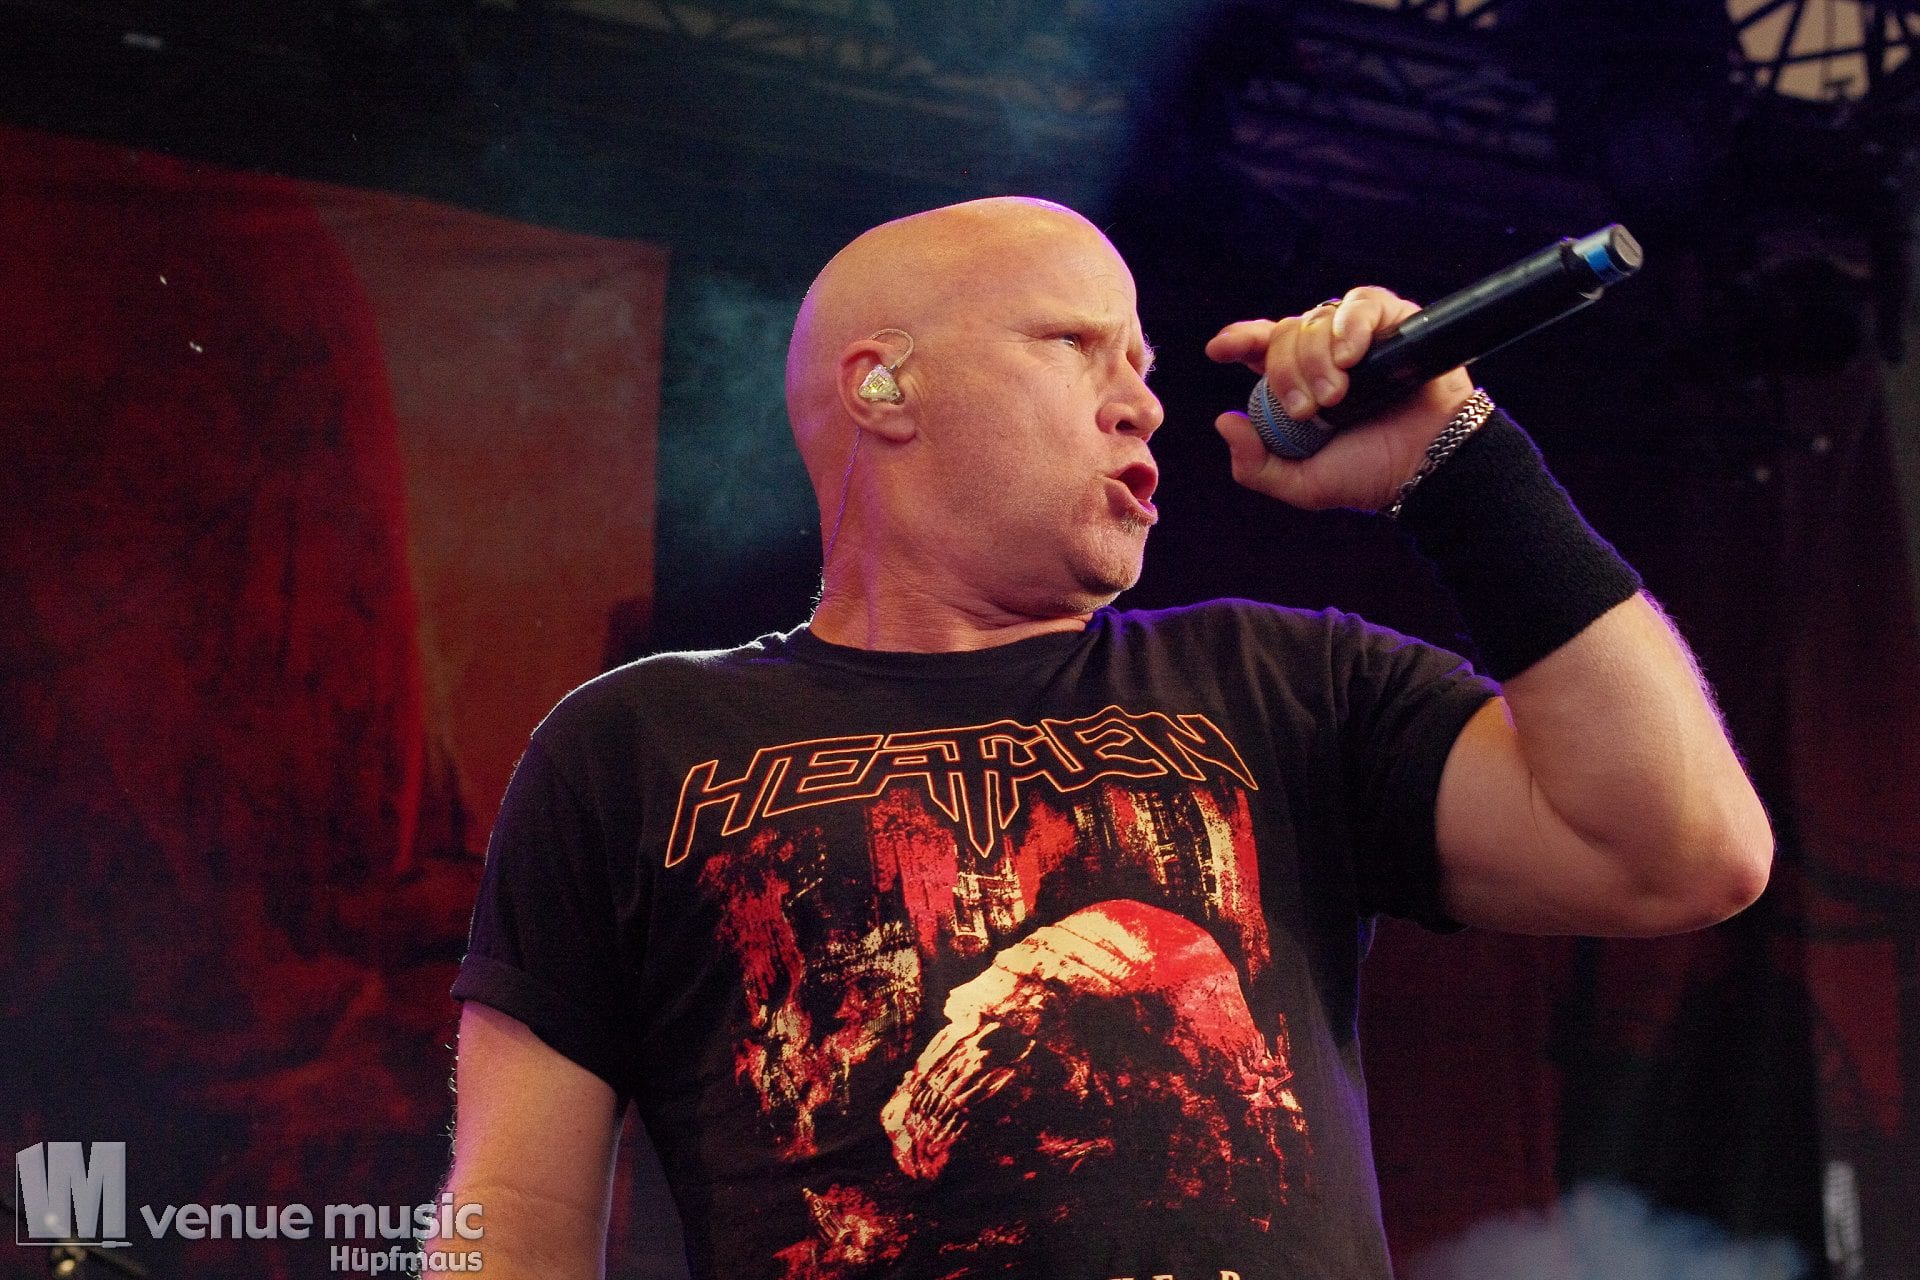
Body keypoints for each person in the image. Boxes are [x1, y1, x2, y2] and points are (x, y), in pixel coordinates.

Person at [426, 197, 1772, 1279]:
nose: (1142, 401)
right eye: (1077, 345)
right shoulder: (635, 743)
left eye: (1141, 362)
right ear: (883, 384)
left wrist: (1459, 464)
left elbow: (1684, 849)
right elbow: (512, 1212)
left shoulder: (1282, 684)